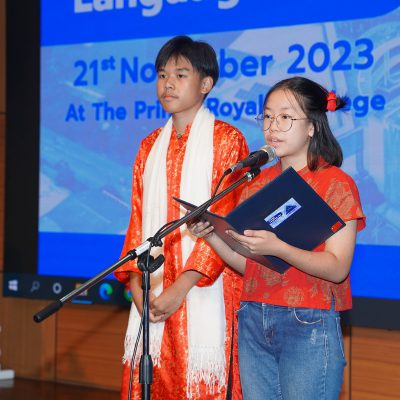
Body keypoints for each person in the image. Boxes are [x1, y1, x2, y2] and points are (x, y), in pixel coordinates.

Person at [188, 76, 366, 400]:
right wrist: (212, 235)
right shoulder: (255, 183)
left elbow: (338, 267)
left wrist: (280, 248)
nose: (272, 127)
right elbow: (251, 265)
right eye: (268, 116)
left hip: (308, 319)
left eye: (285, 117)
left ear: (312, 126)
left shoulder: (335, 183)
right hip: (254, 316)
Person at [114, 35, 249, 400]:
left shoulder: (227, 140)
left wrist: (181, 287)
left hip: (205, 291)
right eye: (162, 75)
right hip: (153, 292)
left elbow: (227, 221)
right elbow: (138, 221)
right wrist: (136, 285)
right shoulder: (149, 146)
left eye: (180, 74)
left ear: (206, 84)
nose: (168, 84)